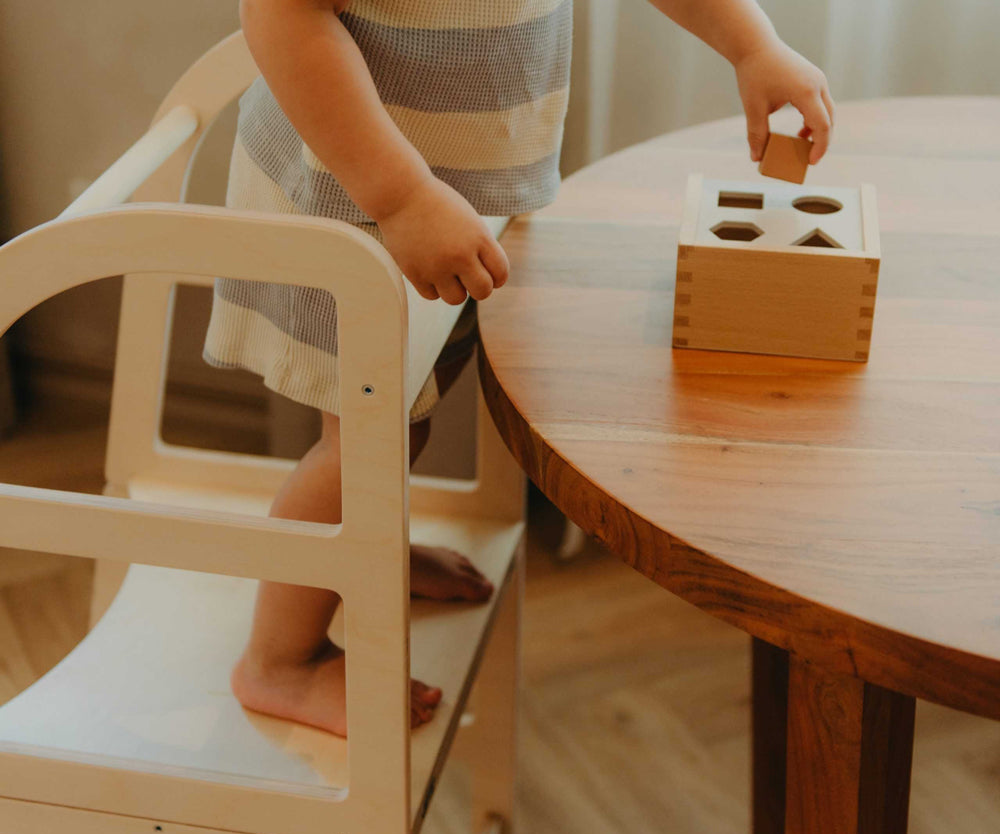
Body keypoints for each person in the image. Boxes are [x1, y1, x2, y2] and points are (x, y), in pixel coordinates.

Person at [204, 0, 835, 737]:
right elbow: (282, 15)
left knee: (396, 424)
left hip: (445, 205)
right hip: (354, 203)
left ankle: (368, 551)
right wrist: (403, 196)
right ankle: (281, 660)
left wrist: (754, 44)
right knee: (364, 446)